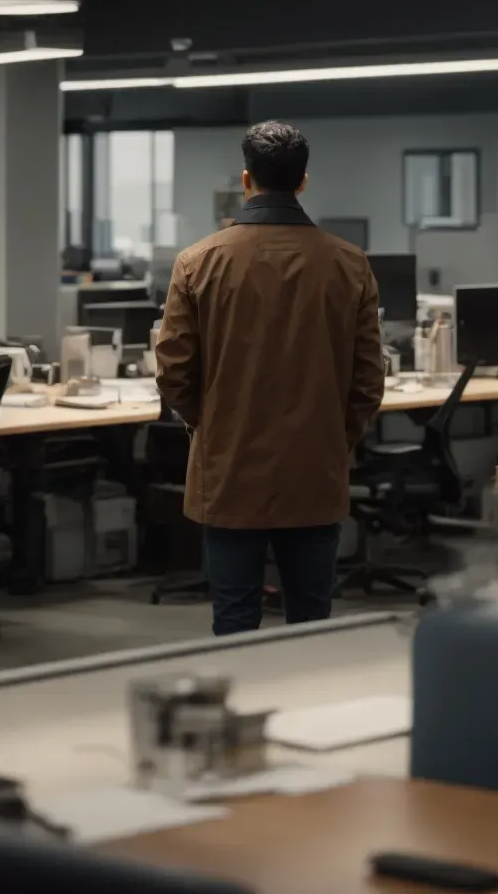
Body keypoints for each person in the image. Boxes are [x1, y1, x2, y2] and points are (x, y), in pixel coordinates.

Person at [155, 121, 384, 636]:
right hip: (314, 468)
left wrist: (210, 427)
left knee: (235, 620)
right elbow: (369, 379)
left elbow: (173, 372)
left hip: (230, 468)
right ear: (303, 181)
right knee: (311, 622)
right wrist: (335, 437)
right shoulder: (350, 264)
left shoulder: (198, 262)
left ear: (246, 180)